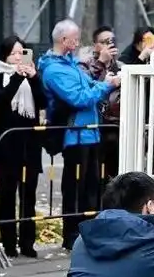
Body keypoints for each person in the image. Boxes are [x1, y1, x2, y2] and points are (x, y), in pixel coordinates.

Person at [38, 18, 117, 250]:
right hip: (74, 135)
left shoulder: (71, 65)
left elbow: (89, 87)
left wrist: (100, 86)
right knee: (76, 187)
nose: (78, 42)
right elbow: (79, 98)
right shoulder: (54, 70)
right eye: (75, 38)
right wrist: (108, 86)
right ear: (64, 40)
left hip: (90, 133)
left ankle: (89, 232)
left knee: (92, 185)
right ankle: (72, 234)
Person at [0, 34, 46, 259]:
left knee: (29, 195)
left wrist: (33, 78)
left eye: (21, 52)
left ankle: (28, 242)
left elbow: (42, 102)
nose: (17, 57)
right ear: (5, 55)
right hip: (7, 144)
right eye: (13, 53)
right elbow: (1, 100)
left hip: (29, 144)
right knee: (7, 195)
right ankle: (9, 242)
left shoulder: (31, 78)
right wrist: (15, 78)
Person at [82, 26, 121, 183]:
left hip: (117, 127)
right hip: (96, 126)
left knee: (117, 175)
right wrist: (100, 63)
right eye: (104, 42)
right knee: (95, 176)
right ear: (95, 45)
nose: (109, 45)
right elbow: (86, 89)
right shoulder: (84, 66)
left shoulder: (122, 66)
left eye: (111, 41)